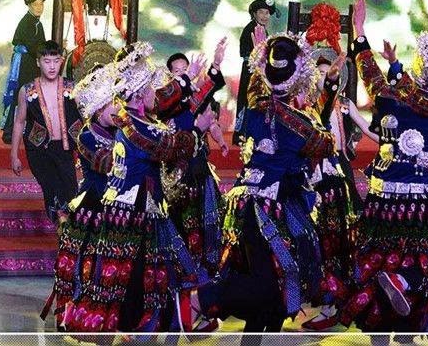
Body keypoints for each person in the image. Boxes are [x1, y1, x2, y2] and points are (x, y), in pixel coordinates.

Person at [188, 28, 341, 335]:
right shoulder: (296, 123)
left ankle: (228, 313)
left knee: (274, 291)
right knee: (272, 284)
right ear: (299, 76)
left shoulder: (256, 105)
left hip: (247, 203)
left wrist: (260, 58)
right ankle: (204, 299)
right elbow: (325, 144)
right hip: (270, 210)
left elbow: (260, 87)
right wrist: (327, 92)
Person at [337, 0, 428, 333]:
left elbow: (370, 72)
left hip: (385, 201)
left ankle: (381, 318)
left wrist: (359, 31)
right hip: (426, 203)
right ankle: (409, 303)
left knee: (379, 257)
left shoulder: (390, 99)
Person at [62, 42, 219, 333]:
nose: (153, 95)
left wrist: (196, 78)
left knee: (149, 269)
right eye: (148, 90)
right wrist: (198, 129)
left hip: (142, 206)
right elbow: (168, 145)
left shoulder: (135, 120)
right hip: (124, 209)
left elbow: (166, 109)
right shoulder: (130, 126)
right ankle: (129, 322)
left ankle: (161, 319)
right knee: (127, 273)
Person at [302, 48, 379, 331]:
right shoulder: (305, 105)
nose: (325, 77)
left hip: (336, 174)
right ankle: (322, 299)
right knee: (316, 240)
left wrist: (394, 141)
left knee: (340, 239)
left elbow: (367, 130)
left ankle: (337, 301)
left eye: (329, 73)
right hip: (311, 175)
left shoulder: (344, 104)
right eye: (320, 73)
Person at [49, 61, 120, 329]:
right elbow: (107, 165)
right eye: (112, 104)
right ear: (98, 108)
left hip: (117, 204)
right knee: (84, 262)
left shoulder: (119, 132)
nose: (118, 109)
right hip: (93, 205)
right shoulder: (87, 135)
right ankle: (75, 313)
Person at [163, 45, 229, 332]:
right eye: (178, 72)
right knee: (182, 242)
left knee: (206, 237)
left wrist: (215, 65)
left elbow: (210, 117)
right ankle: (181, 308)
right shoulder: (164, 106)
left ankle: (202, 303)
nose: (184, 74)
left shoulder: (194, 100)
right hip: (177, 181)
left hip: (200, 175)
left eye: (186, 70)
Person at [10, 40, 81, 226]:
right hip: (38, 150)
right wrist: (14, 155)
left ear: (61, 61)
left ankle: (66, 225)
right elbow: (19, 122)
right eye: (47, 61)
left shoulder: (72, 88)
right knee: (51, 187)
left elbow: (86, 116)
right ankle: (62, 226)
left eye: (56, 61)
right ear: (38, 62)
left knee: (71, 189)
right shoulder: (27, 90)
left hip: (64, 148)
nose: (52, 66)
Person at [1, 0, 48, 144]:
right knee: (22, 95)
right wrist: (49, 52)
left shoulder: (36, 22)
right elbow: (34, 46)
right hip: (25, 64)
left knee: (29, 95)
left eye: (41, 4)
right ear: (29, 5)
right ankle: (10, 133)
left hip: (30, 63)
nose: (39, 7)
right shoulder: (28, 22)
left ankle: (28, 131)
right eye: (36, 4)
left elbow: (39, 45)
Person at [233, 0, 275, 145]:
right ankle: (243, 134)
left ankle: (252, 133)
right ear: (254, 14)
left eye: (267, 13)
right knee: (250, 99)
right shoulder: (252, 29)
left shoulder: (261, 28)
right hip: (252, 70)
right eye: (261, 12)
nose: (265, 16)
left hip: (259, 69)